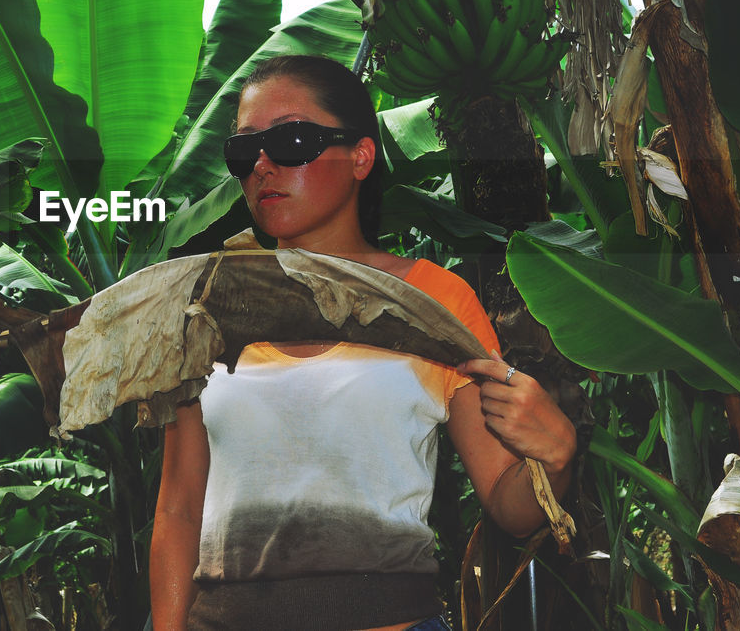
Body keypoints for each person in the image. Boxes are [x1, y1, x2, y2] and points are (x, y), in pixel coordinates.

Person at [149, 55, 578, 631]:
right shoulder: (207, 305)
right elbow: (178, 507)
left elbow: (510, 503)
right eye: (244, 150)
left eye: (292, 139)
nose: (263, 165)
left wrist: (554, 456)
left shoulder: (433, 300)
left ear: (360, 155)